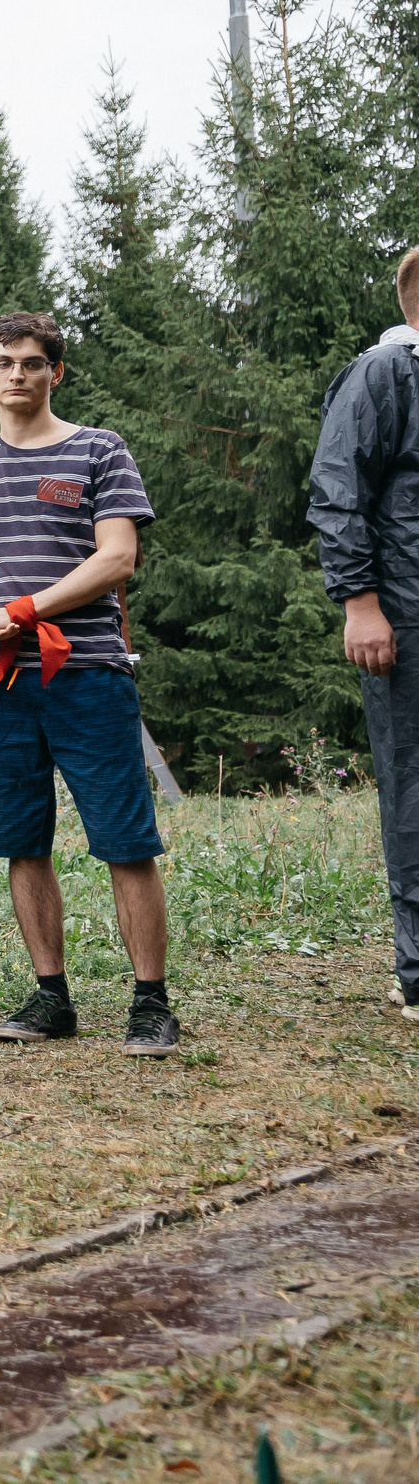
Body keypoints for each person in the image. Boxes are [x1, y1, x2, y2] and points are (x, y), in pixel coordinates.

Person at [0, 311, 175, 1057]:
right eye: (5, 362)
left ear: (55, 373)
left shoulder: (99, 450)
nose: (18, 373)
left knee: (125, 838)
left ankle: (150, 1002)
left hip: (88, 673)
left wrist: (21, 611)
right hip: (0, 678)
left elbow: (117, 559)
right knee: (21, 840)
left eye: (33, 362)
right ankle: (52, 996)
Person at [307, 246, 419, 1028]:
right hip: (406, 615)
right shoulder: (386, 373)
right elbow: (338, 485)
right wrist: (360, 601)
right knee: (414, 786)